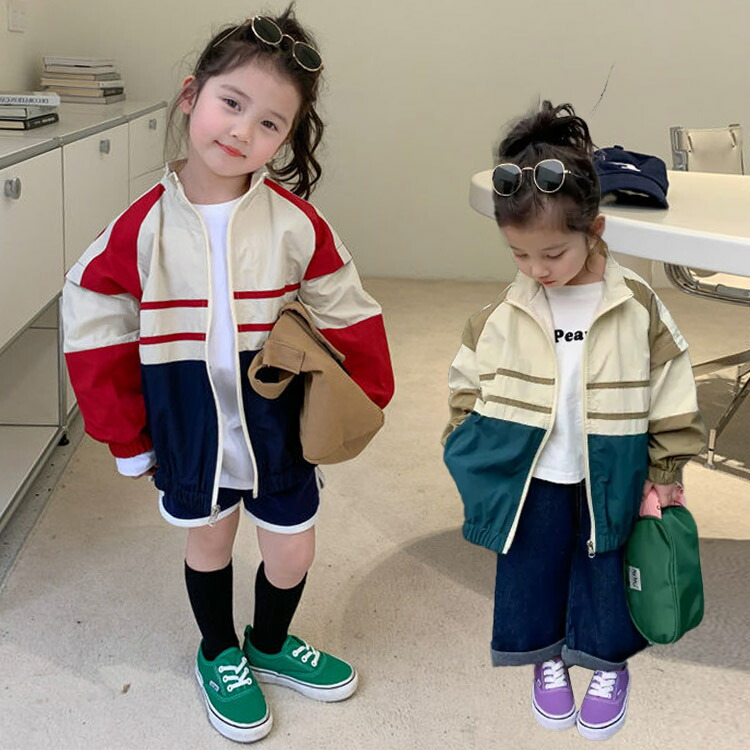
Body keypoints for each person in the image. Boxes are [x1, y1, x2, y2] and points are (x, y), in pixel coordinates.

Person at [62, 6, 394, 743]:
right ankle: (219, 652)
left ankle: (269, 644)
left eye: (270, 123)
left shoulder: (296, 223)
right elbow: (91, 314)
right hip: (190, 424)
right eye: (231, 103)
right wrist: (126, 435)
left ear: (287, 139)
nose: (243, 131)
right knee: (210, 543)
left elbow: (347, 306)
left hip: (276, 420)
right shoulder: (142, 227)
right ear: (191, 96)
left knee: (293, 546)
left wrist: (365, 395)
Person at [442, 101, 705, 741]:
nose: (538, 270)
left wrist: (665, 468)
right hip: (532, 474)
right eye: (519, 255)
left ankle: (608, 664)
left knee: (606, 570)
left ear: (596, 229)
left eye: (553, 253)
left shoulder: (636, 305)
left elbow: (672, 382)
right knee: (531, 568)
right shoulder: (501, 314)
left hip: (610, 468)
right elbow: (466, 383)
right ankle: (547, 656)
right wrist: (466, 441)